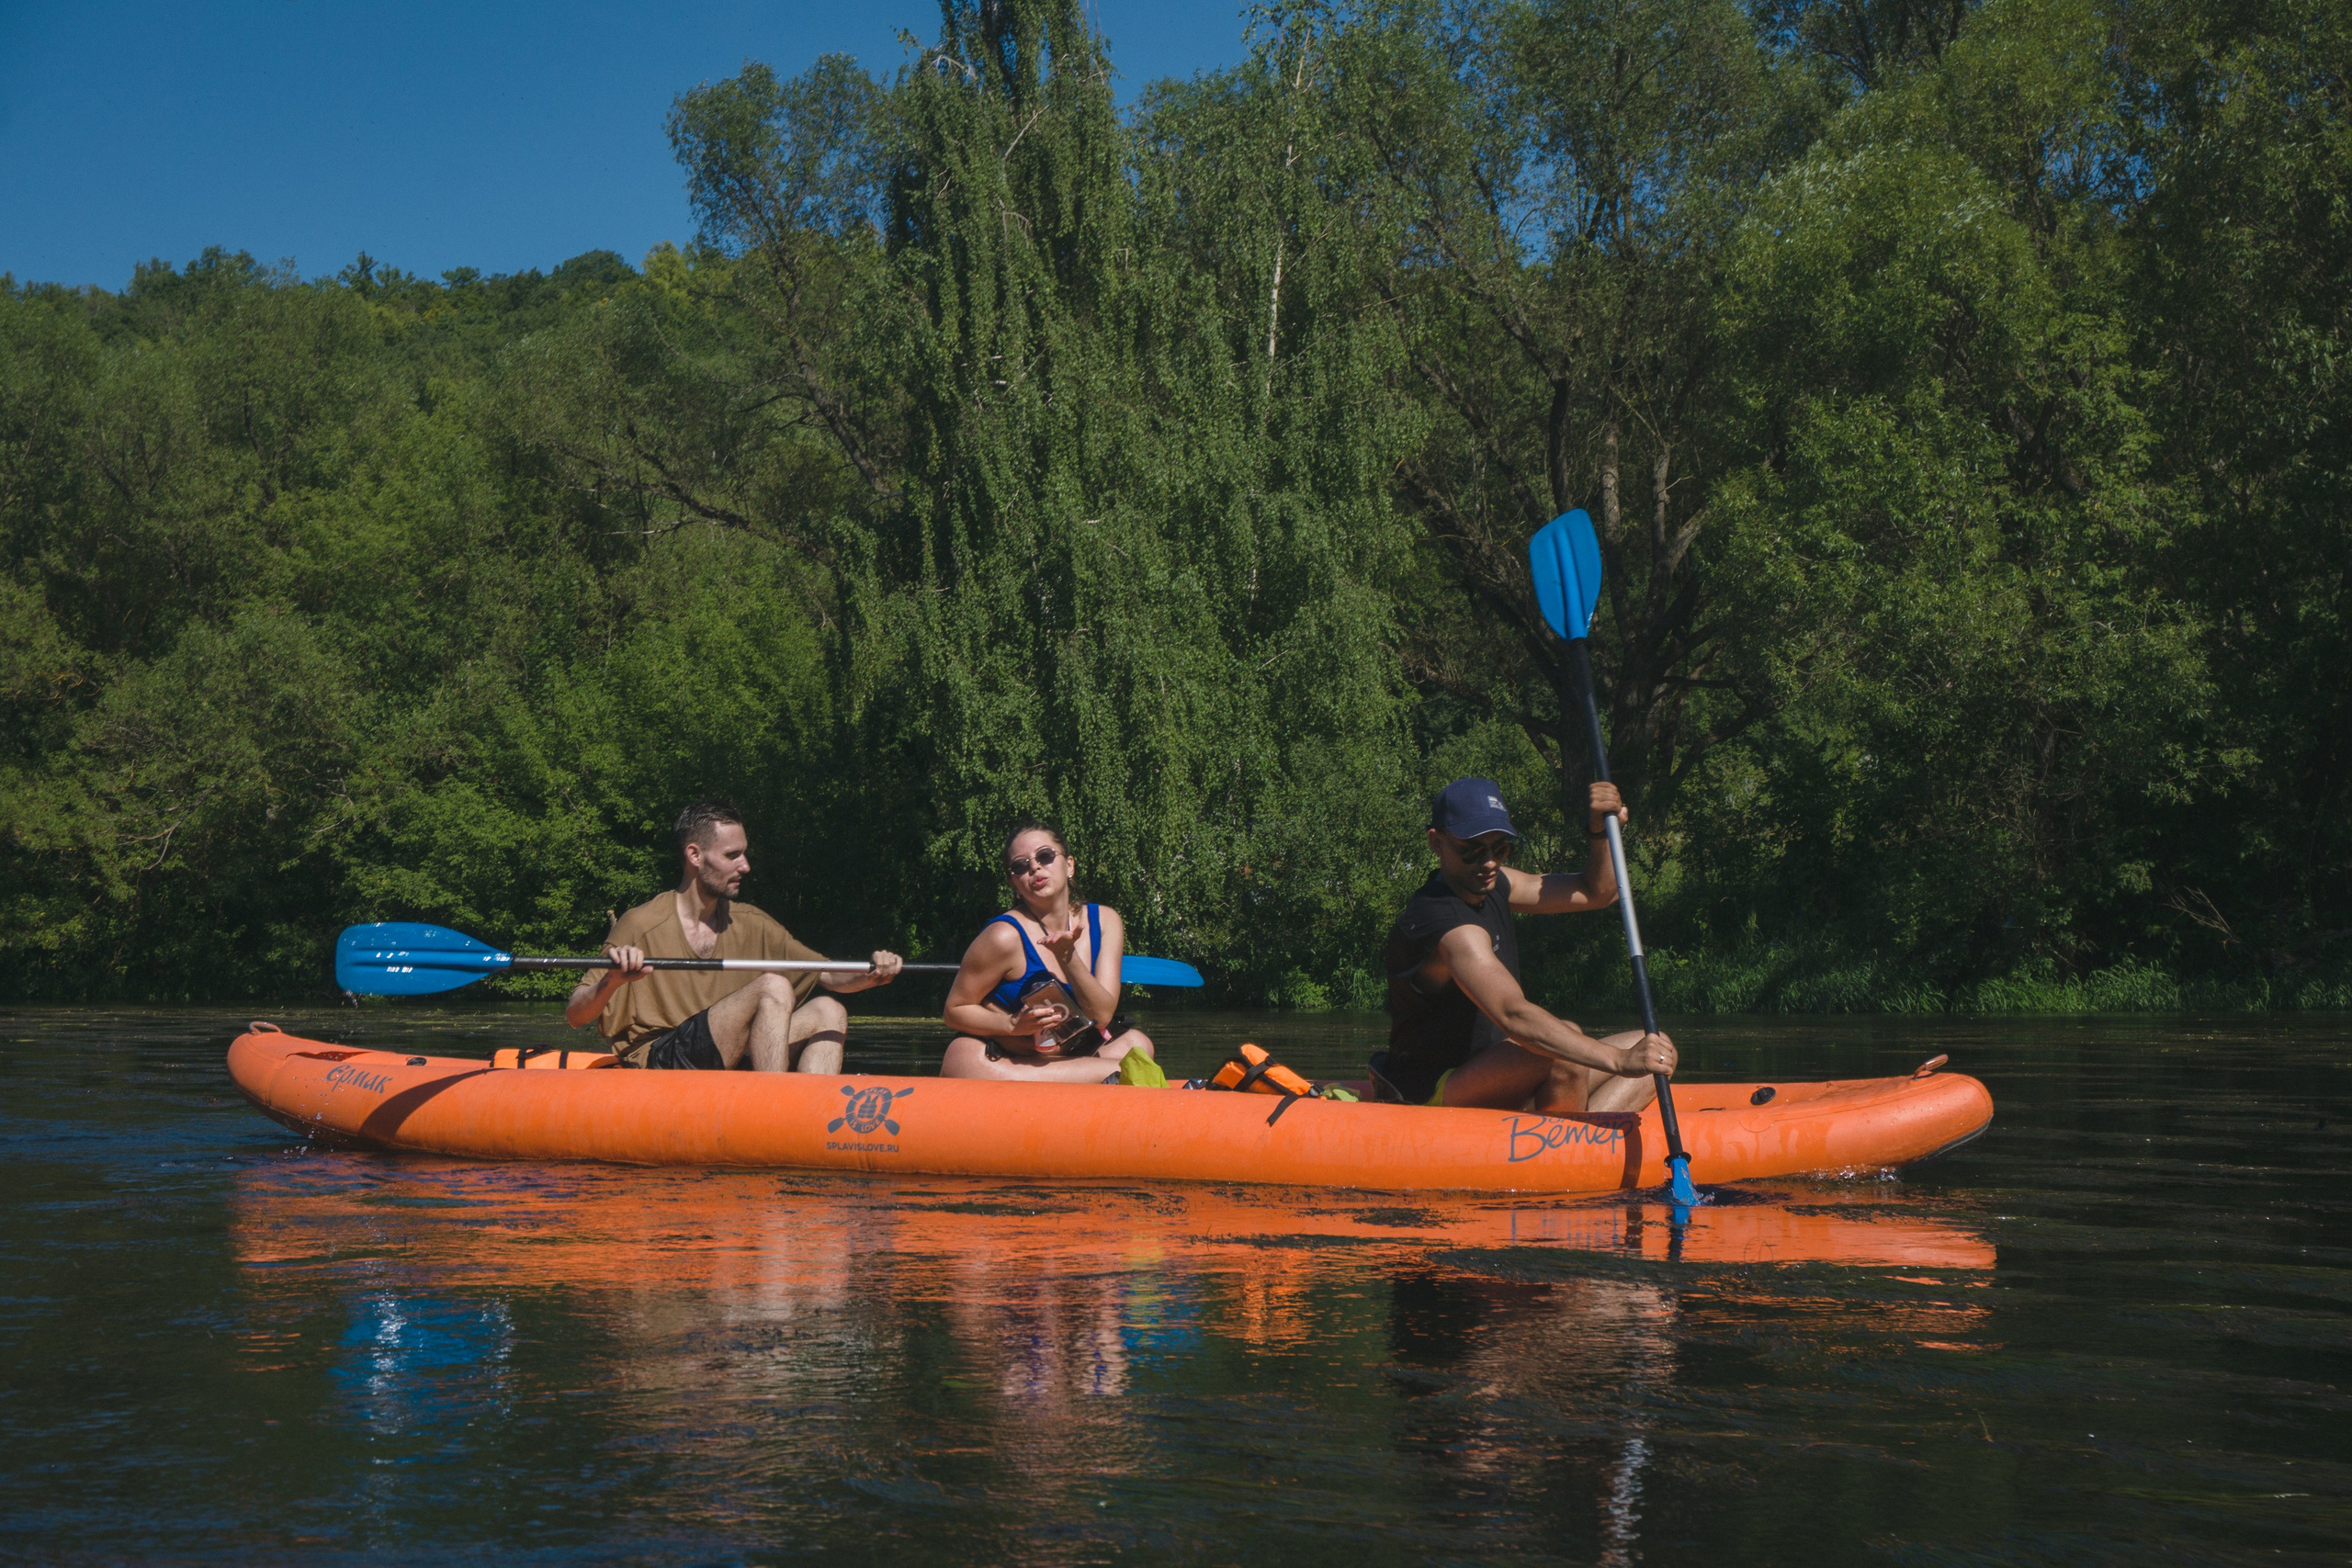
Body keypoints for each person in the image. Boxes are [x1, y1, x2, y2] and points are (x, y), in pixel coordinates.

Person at [1373, 776, 1677, 1113]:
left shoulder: (1497, 883)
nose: (1488, 863)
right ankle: (1565, 1146)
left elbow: (1597, 892)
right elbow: (1512, 1013)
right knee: (1563, 1047)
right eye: (1471, 850)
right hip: (1432, 1087)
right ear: (1436, 842)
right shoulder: (1445, 923)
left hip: (1499, 1073)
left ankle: (1582, 1137)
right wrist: (1618, 1061)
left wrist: (1600, 835)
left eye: (1499, 848)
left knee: (1655, 1048)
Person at [566, 800, 903, 1071]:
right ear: (695, 855)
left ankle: (808, 1120)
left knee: (829, 1011)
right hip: (660, 1059)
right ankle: (772, 1111)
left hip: (724, 1051)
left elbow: (828, 974)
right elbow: (576, 1015)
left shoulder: (752, 922)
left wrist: (874, 972)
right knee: (773, 986)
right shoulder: (641, 922)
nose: (745, 866)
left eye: (744, 853)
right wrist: (612, 980)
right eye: (732, 856)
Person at [939, 822, 1156, 1081]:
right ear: (1014, 884)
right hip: (995, 1059)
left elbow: (1102, 1016)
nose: (1034, 867)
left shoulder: (1106, 921)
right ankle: (1104, 1082)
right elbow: (954, 1010)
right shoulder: (1003, 937)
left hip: (1064, 1056)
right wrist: (1011, 1025)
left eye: (1045, 856)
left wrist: (1067, 958)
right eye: (1020, 866)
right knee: (1127, 1070)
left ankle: (1092, 1088)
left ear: (1069, 865)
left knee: (1139, 1045)